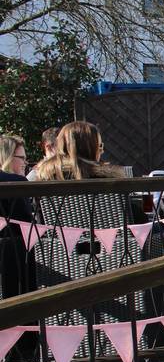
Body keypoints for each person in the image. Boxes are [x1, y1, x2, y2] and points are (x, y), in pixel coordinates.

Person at [0, 134, 35, 300]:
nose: (25, 163)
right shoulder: (16, 182)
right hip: (15, 262)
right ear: (7, 157)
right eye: (22, 158)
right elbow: (28, 224)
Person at [33, 121, 126, 180]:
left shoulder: (45, 175)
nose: (102, 151)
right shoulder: (108, 179)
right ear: (89, 148)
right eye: (100, 146)